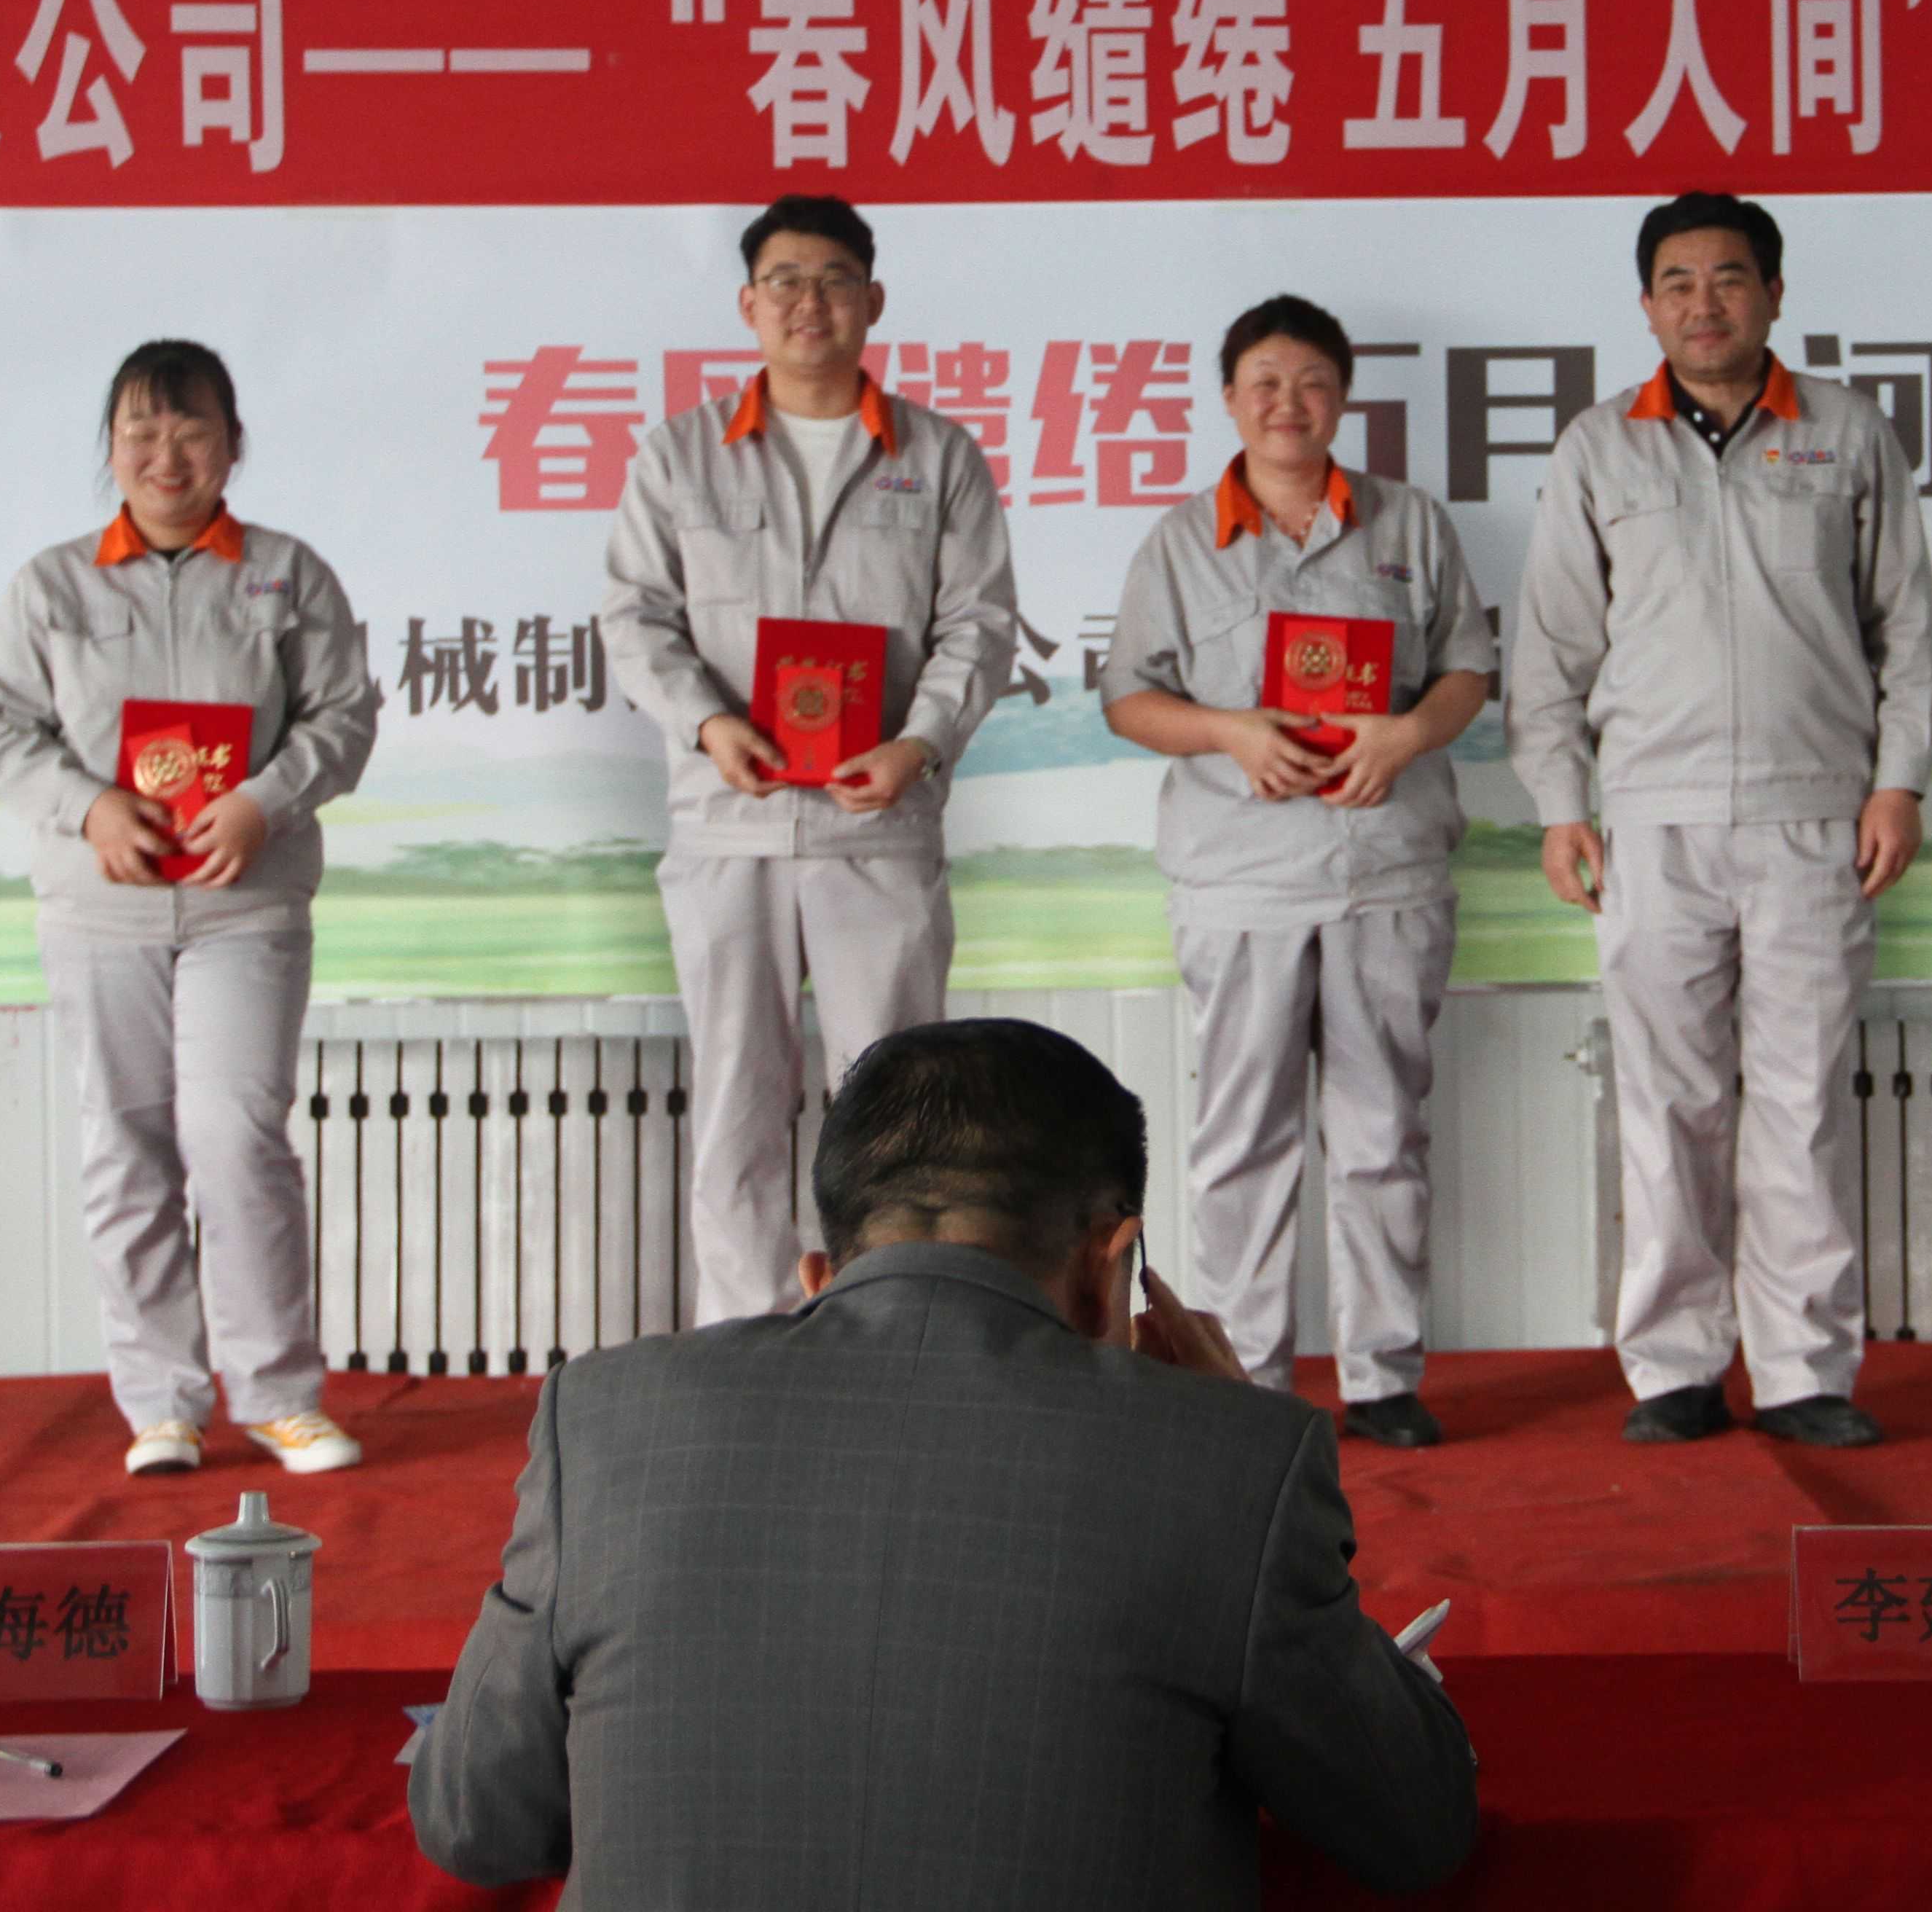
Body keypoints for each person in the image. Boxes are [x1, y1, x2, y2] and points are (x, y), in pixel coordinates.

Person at [410, 1016, 1480, 1908]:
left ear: (820, 1273)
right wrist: (1229, 1435)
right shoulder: (1234, 1456)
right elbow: (1414, 1828)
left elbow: (476, 1823)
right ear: (1111, 1264)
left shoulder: (604, 1419)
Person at [1504, 192, 1932, 1446]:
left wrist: (1900, 780)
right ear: (1648, 307)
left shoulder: (1848, 434)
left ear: (1775, 294)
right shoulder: (1600, 449)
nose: (1706, 304)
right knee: (1669, 1103)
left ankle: (1805, 1372)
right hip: (1653, 819)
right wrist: (1561, 806)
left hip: (1817, 815)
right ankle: (1675, 1368)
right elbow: (1552, 647)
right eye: (1679, 283)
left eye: (1731, 279)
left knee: (1802, 1101)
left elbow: (1910, 627)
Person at [0, 340, 382, 1476]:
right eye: (140, 433)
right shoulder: (53, 586)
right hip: (104, 909)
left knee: (237, 1136)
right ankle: (162, 1404)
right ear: (110, 448)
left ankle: (279, 1396)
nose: (166, 456)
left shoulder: (287, 575)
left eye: (192, 432)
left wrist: (262, 803)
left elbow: (343, 717)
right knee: (127, 1144)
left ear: (232, 445)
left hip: (247, 905)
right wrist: (88, 808)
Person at [600, 195, 1020, 1325]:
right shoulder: (682, 454)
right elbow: (637, 619)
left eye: (833, 278)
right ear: (748, 304)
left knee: (896, 1103)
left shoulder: (939, 456)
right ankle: (742, 1335)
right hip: (729, 822)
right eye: (784, 280)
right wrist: (708, 724)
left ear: (872, 300)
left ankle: (892, 1327)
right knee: (737, 1096)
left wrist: (920, 743)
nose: (808, 302)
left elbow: (979, 626)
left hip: (877, 819)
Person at [1101, 294, 1498, 1447]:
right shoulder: (1181, 543)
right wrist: (1229, 731)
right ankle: (1246, 1381)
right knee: (1243, 1139)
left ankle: (1383, 1377)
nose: (1289, 403)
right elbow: (1129, 698)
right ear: (1230, 400)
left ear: (1343, 399)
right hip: (1242, 880)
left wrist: (1408, 733)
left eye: (1313, 382)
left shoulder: (1409, 523)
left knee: (1383, 1131)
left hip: (1386, 871)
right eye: (1265, 383)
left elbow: (1468, 669)